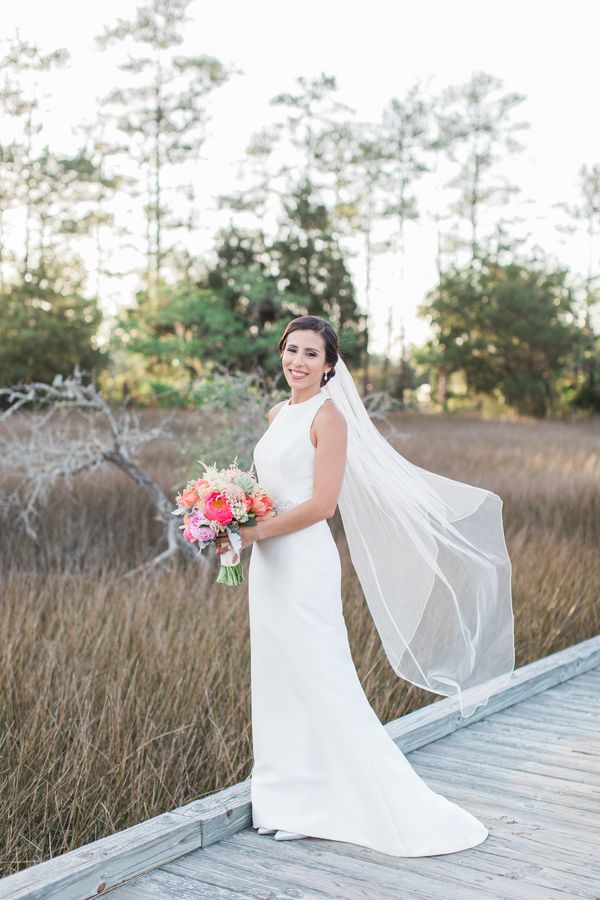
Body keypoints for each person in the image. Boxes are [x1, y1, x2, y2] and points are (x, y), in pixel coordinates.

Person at [214, 315, 514, 856]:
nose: (297, 362)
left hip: (304, 563)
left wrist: (255, 531)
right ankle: (289, 802)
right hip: (268, 569)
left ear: (330, 365)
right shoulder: (277, 412)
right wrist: (227, 520)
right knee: (279, 676)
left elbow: (322, 505)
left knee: (321, 676)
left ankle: (357, 804)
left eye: (311, 354)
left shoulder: (330, 419)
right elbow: (267, 489)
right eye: (291, 350)